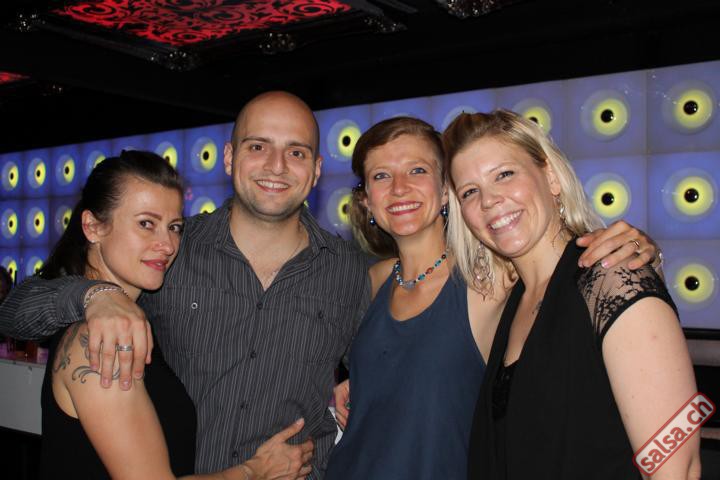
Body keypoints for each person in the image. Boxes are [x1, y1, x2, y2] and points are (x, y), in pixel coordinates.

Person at [0, 92, 369, 478]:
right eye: (258, 146)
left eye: (296, 152)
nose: (276, 165)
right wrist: (93, 295)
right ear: (229, 157)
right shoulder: (170, 251)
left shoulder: (348, 271)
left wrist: (358, 387)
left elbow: (383, 365)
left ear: (317, 169)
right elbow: (13, 313)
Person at [325, 117, 661, 479]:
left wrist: (639, 248)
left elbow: (560, 262)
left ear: (446, 191)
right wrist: (355, 385)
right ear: (365, 200)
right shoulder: (370, 280)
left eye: (417, 170)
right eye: (381, 176)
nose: (399, 188)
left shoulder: (491, 275)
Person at [443, 110, 700, 480]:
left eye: (504, 174)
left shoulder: (615, 276)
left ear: (550, 177)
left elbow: (677, 468)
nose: (489, 200)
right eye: (470, 191)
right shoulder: (510, 302)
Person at [35, 150, 312, 479]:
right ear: (93, 227)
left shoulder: (133, 318)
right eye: (146, 224)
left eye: (175, 227)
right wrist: (257, 470)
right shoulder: (99, 340)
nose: (167, 244)